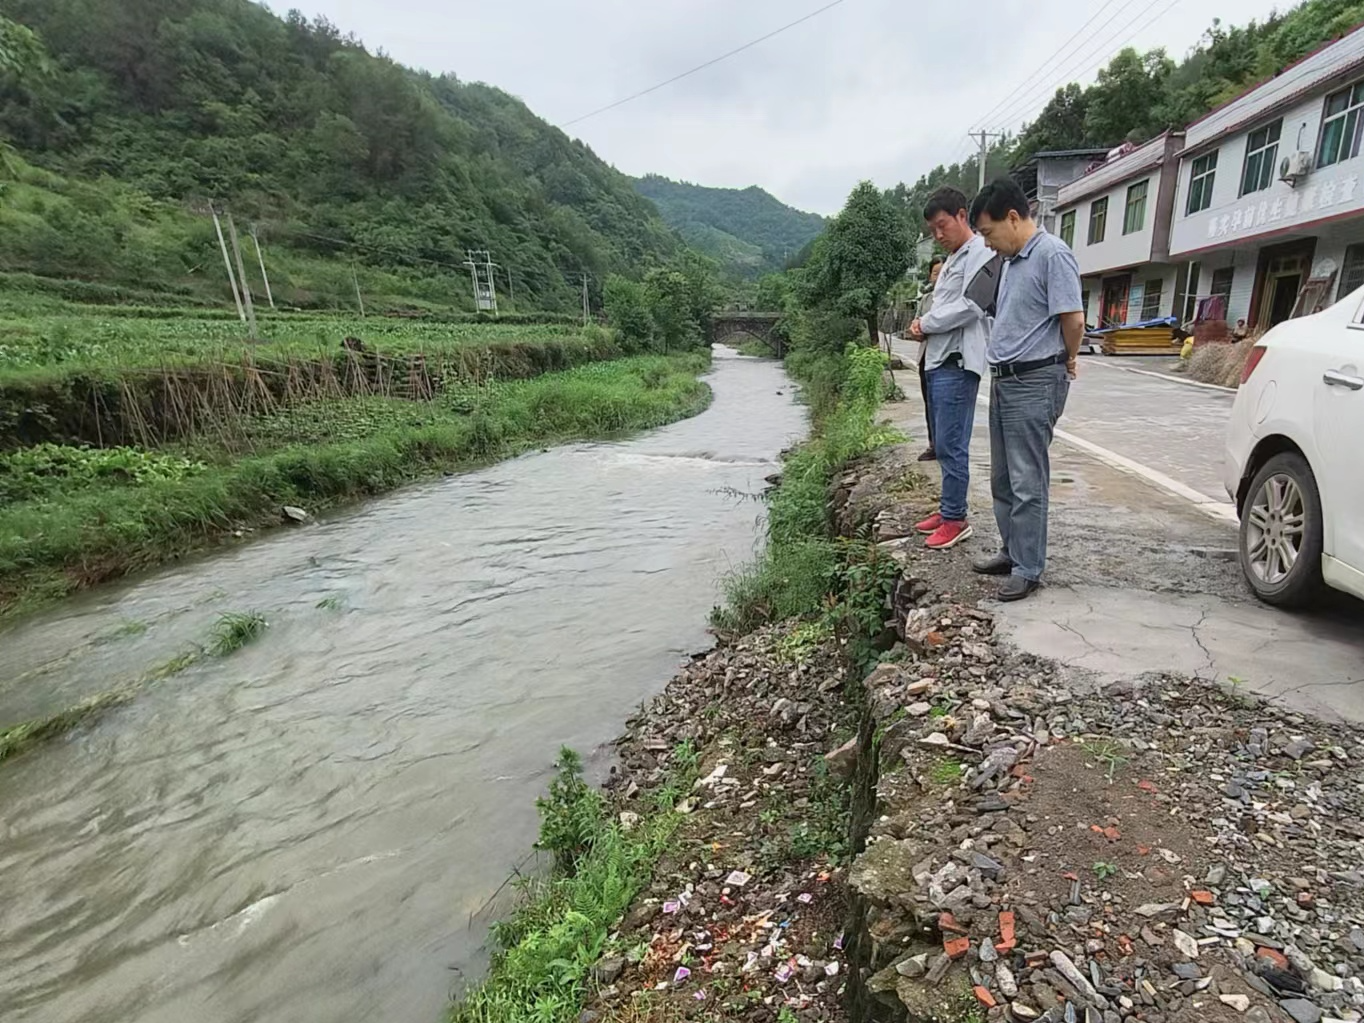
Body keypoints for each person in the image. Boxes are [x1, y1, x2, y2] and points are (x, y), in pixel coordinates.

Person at [968, 177, 1084, 602]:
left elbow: (1073, 319)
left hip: (1035, 380)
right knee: (1002, 477)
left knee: (1027, 480)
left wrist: (1068, 359)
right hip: (1004, 380)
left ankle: (1029, 567)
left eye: (988, 232)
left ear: (1013, 218)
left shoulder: (1053, 255)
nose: (988, 242)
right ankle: (1011, 551)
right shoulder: (1014, 261)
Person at [909, 188, 995, 551]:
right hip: (939, 358)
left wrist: (926, 323)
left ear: (962, 216)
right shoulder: (956, 258)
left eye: (942, 226)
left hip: (958, 362)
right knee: (943, 441)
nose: (938, 235)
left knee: (951, 442)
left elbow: (971, 306)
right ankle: (947, 510)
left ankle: (956, 519)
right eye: (932, 231)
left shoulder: (980, 254)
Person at [914, 256, 946, 461]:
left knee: (943, 403)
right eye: (935, 273)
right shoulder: (926, 300)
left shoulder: (952, 299)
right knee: (929, 402)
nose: (939, 276)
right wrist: (916, 330)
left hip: (943, 357)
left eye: (943, 272)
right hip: (925, 356)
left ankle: (944, 445)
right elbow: (916, 323)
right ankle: (933, 444)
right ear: (930, 276)